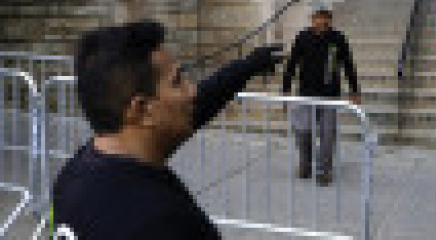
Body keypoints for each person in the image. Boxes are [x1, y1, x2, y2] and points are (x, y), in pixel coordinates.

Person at [51, 21, 282, 239]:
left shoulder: (73, 178)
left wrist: (246, 67)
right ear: (142, 109)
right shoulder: (162, 223)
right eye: (178, 81)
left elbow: (196, 107)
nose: (192, 91)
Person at [282, 3, 360, 186]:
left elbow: (348, 64)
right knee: (303, 131)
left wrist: (355, 90)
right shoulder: (303, 37)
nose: (322, 21)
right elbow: (292, 64)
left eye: (326, 17)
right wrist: (285, 90)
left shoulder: (338, 39)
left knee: (327, 135)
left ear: (330, 19)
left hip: (330, 95)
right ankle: (306, 163)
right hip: (306, 94)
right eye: (319, 17)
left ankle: (325, 170)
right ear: (312, 19)